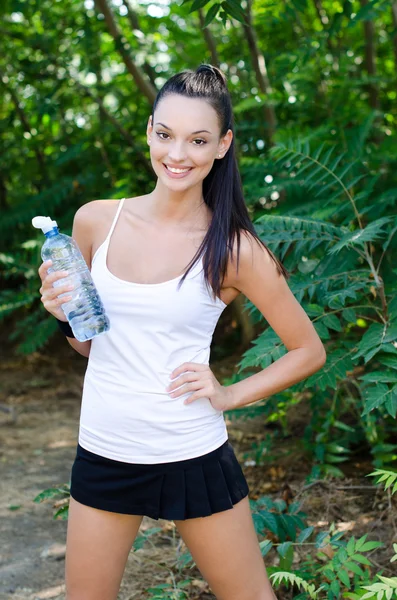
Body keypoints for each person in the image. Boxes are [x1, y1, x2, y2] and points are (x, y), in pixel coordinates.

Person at [37, 64, 326, 600]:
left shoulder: (235, 248)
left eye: (198, 140)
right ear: (149, 130)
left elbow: (308, 350)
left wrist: (230, 393)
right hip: (105, 449)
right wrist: (63, 316)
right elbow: (89, 344)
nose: (177, 154)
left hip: (191, 451)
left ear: (223, 145)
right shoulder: (96, 221)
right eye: (166, 135)